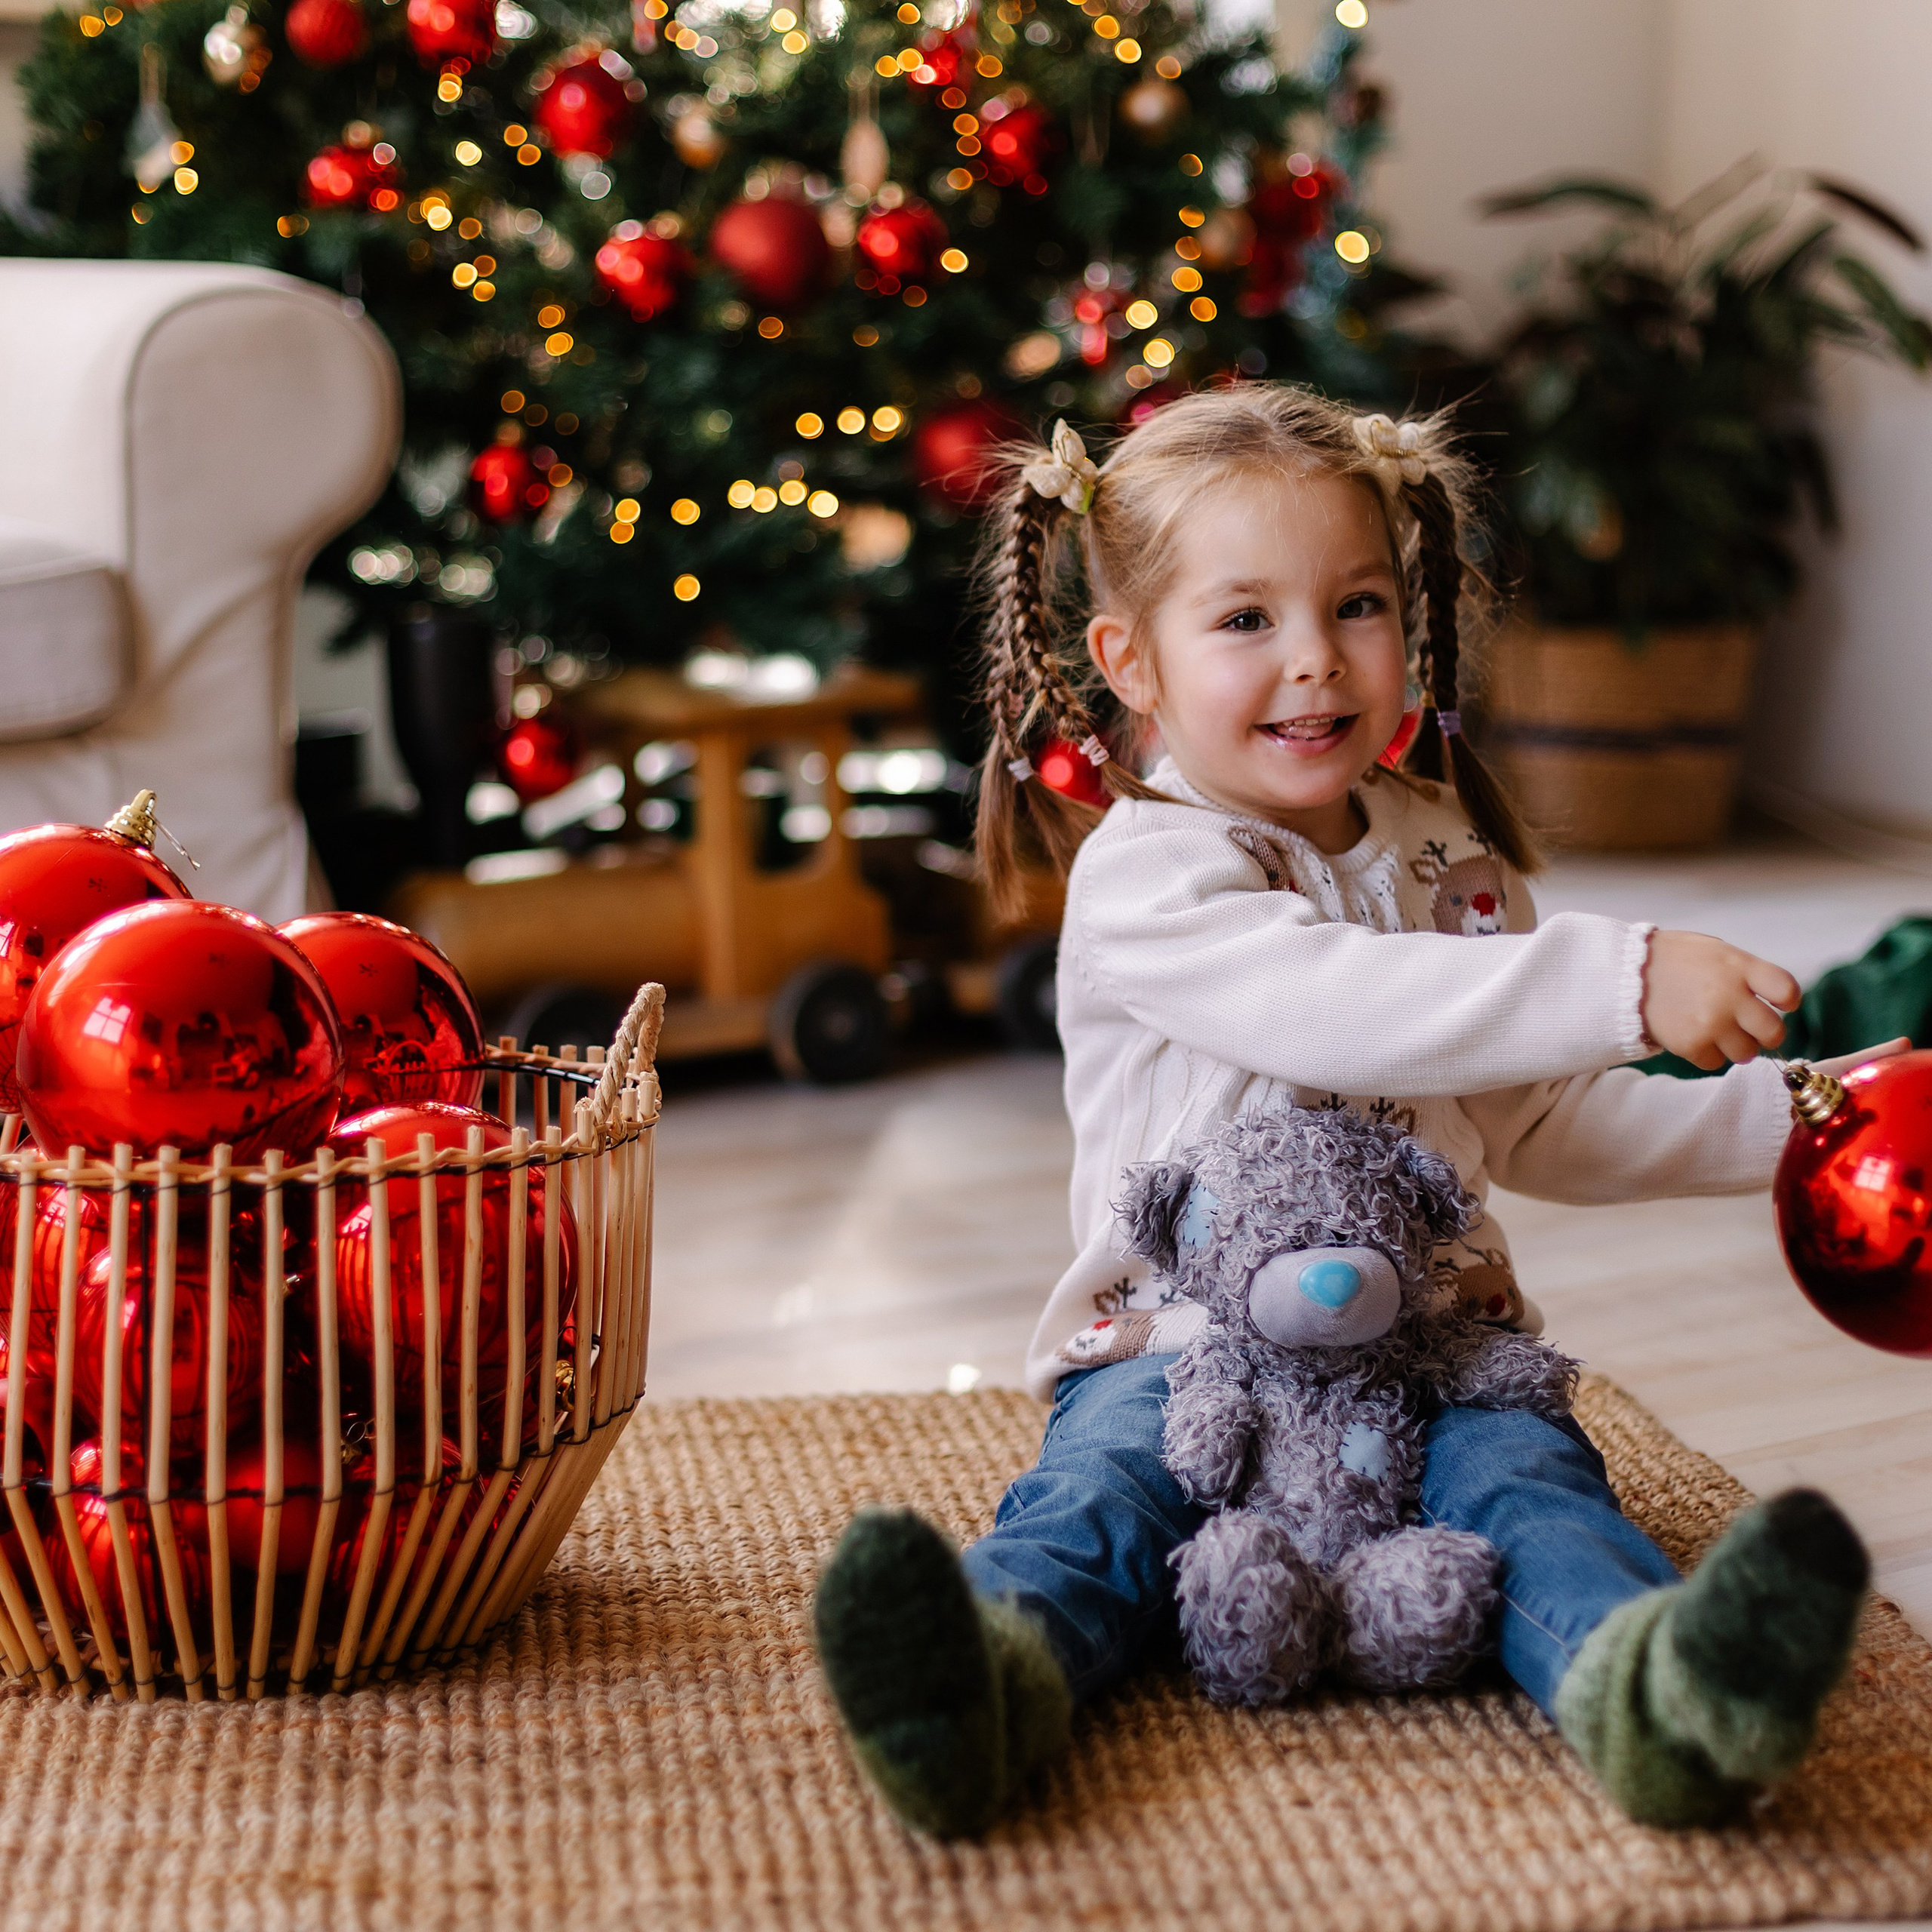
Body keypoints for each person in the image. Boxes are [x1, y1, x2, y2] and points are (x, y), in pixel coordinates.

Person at [812, 388, 1897, 1838]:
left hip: (1439, 1342)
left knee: (1541, 1493)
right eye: (1245, 619)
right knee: (1099, 1512)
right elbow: (1333, 999)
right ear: (1130, 661)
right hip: (1174, 1346)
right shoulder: (1148, 877)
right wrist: (1624, 976)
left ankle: (1662, 1696)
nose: (1317, 660)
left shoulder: (1446, 855)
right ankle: (979, 1683)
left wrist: (1817, 1121)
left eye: (1359, 603)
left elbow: (1545, 1121)